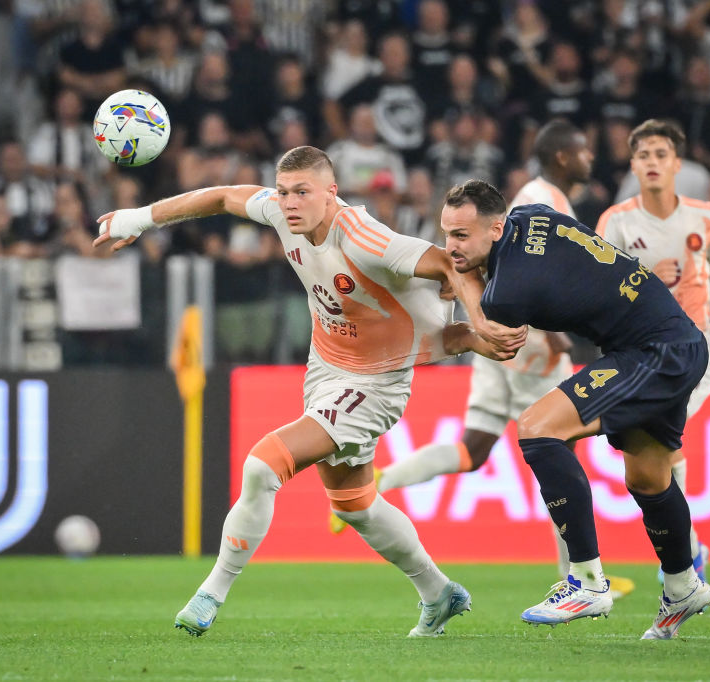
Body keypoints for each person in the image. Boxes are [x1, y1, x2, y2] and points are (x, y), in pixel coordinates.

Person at [92, 146, 526, 637]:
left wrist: (480, 324)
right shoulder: (282, 214)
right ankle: (439, 592)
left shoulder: (365, 237)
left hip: (377, 381)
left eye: (302, 192)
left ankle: (211, 592)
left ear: (331, 193)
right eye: (283, 192)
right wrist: (139, 217)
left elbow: (450, 266)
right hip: (326, 366)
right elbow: (221, 197)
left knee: (263, 464)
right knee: (355, 505)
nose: (290, 202)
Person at [351, 119, 634, 599]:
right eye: (584, 151)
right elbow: (528, 273)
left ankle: (385, 478)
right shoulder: (544, 203)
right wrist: (558, 336)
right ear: (563, 156)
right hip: (528, 342)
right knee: (559, 448)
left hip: (492, 341)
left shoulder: (527, 195)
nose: (592, 158)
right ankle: (580, 576)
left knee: (474, 448)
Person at [439, 178, 710, 640]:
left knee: (537, 429)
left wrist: (457, 278)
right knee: (647, 477)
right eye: (446, 233)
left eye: (461, 236)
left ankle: (586, 581)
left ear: (496, 228)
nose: (450, 246)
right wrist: (464, 268)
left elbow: (492, 332)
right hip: (671, 340)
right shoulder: (530, 218)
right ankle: (684, 585)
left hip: (653, 350)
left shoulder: (509, 289)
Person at [595, 119, 710, 583]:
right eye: (644, 156)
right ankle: (690, 548)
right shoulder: (615, 222)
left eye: (661, 155)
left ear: (677, 164)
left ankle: (684, 557)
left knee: (659, 436)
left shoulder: (705, 216)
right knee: (654, 447)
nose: (652, 163)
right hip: (640, 350)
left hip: (695, 348)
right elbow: (600, 296)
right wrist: (647, 277)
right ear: (633, 165)